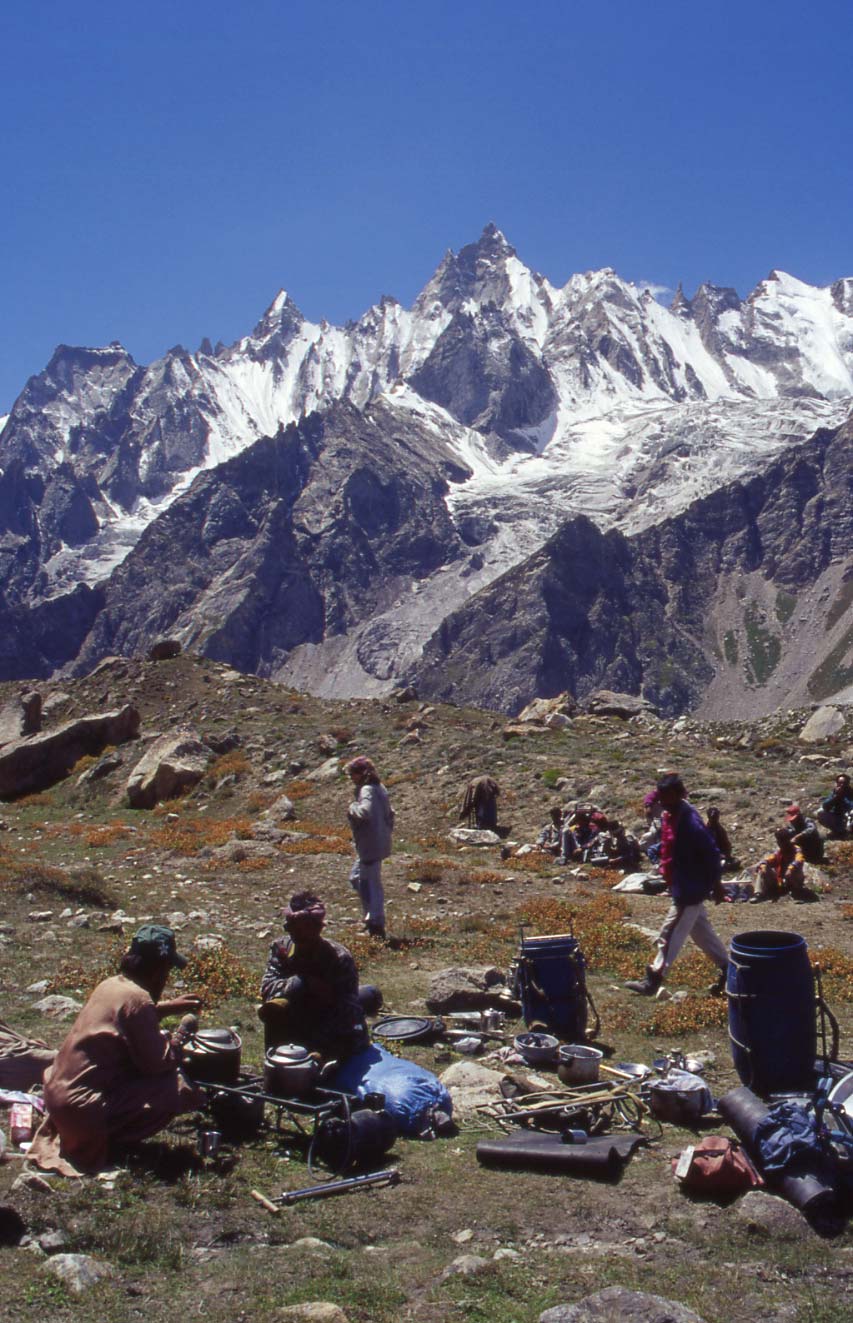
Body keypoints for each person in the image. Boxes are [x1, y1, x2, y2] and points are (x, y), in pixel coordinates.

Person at [28, 925, 204, 1175]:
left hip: (58, 1101)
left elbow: (128, 1014)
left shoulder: (111, 985)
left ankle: (92, 1133)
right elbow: (157, 1063)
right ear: (159, 971)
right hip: (82, 1113)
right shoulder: (139, 1000)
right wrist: (181, 1036)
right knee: (173, 1088)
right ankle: (110, 1143)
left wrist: (167, 1007)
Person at [625, 774, 728, 997]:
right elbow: (654, 795)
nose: (660, 800)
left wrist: (717, 884)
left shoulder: (690, 822)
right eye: (660, 796)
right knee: (702, 934)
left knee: (669, 931)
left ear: (678, 794)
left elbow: (711, 854)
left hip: (691, 887)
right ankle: (729, 971)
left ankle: (654, 977)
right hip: (682, 882)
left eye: (665, 796)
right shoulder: (672, 811)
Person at [258, 891, 369, 1061]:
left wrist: (321, 1046)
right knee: (275, 1008)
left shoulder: (338, 958)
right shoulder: (281, 949)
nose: (294, 933)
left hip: (331, 1027)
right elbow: (267, 988)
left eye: (301, 929)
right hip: (295, 1023)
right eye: (290, 927)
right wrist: (301, 984)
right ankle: (276, 1060)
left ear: (317, 928)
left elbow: (348, 1011)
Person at [346, 755, 395, 939]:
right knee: (357, 878)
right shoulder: (380, 787)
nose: (351, 778)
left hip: (370, 844)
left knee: (369, 882)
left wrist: (352, 807)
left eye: (353, 774)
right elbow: (390, 814)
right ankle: (371, 916)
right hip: (378, 842)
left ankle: (375, 922)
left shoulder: (367, 789)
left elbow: (364, 812)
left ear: (361, 774)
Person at [751, 829, 812, 903]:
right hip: (779, 881)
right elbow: (769, 859)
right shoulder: (779, 852)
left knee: (794, 870)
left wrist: (790, 868)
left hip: (793, 881)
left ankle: (797, 893)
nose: (779, 843)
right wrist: (763, 865)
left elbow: (798, 860)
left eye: (781, 841)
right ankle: (758, 894)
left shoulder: (796, 850)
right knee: (763, 868)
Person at [706, 806, 738, 871]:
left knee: (735, 862)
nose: (714, 819)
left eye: (715, 817)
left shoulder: (720, 829)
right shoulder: (705, 829)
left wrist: (725, 855)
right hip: (711, 856)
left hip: (721, 856)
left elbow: (726, 845)